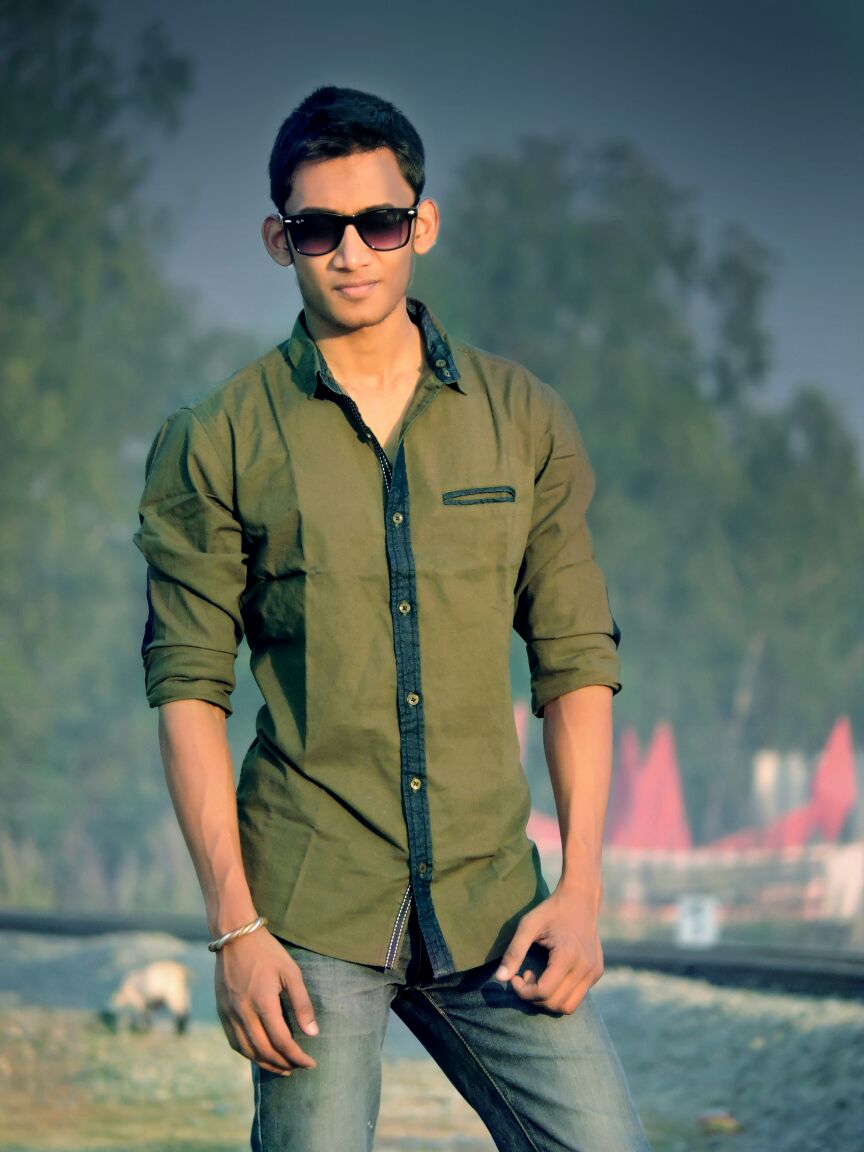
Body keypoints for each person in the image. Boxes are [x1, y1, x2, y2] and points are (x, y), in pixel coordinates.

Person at [133, 85, 651, 1152]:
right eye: (318, 229)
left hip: (493, 903)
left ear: (424, 223)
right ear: (279, 240)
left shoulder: (521, 421)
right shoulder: (218, 438)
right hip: (311, 905)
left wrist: (583, 891)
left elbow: (574, 663)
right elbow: (188, 688)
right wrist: (234, 929)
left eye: (379, 222)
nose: (351, 253)